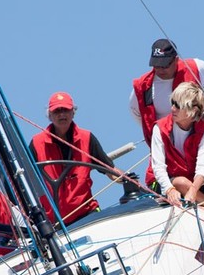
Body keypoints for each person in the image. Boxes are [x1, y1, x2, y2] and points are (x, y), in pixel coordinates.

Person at [31, 91, 136, 225]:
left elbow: (109, 170)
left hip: (86, 213)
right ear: (50, 116)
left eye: (66, 110)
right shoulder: (36, 143)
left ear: (73, 113)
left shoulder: (87, 138)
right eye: (57, 111)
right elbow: (25, 180)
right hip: (54, 222)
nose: (62, 115)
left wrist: (127, 179)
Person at [130, 38, 204, 146]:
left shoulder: (194, 67)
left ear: (176, 60)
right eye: (156, 66)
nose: (160, 70)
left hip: (202, 136)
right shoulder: (143, 86)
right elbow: (136, 112)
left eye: (164, 65)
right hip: (168, 145)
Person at [148, 82, 204, 207]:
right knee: (181, 182)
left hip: (193, 181)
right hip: (163, 181)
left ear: (193, 110)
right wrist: (169, 189)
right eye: (173, 102)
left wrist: (193, 190)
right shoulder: (160, 128)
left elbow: (203, 167)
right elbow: (158, 167)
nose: (172, 108)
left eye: (178, 105)